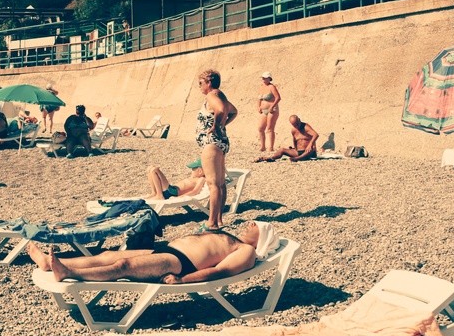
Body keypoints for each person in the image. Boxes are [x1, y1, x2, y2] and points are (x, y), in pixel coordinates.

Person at [28, 221, 274, 284]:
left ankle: (68, 272)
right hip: (168, 250)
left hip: (180, 263)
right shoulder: (232, 238)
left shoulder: (246, 251)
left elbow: (220, 272)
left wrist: (183, 280)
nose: (251, 223)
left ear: (262, 239)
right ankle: (50, 263)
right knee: (108, 255)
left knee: (123, 266)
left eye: (257, 225)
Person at [195, 69, 237, 232]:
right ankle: (219, 220)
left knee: (212, 184)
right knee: (220, 184)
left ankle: (211, 223)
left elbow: (220, 109)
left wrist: (215, 126)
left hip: (211, 143)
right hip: (221, 142)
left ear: (208, 82)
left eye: (200, 83)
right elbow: (233, 111)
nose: (199, 86)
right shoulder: (220, 95)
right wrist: (222, 125)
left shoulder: (211, 96)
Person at [256, 71, 282, 153]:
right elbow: (259, 99)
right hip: (263, 110)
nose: (263, 79)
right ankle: (262, 146)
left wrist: (272, 106)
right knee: (260, 128)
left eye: (265, 78)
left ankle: (271, 147)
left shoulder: (272, 87)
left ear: (269, 78)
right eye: (263, 78)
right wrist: (258, 107)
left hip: (272, 110)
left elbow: (278, 98)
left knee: (270, 128)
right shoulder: (261, 87)